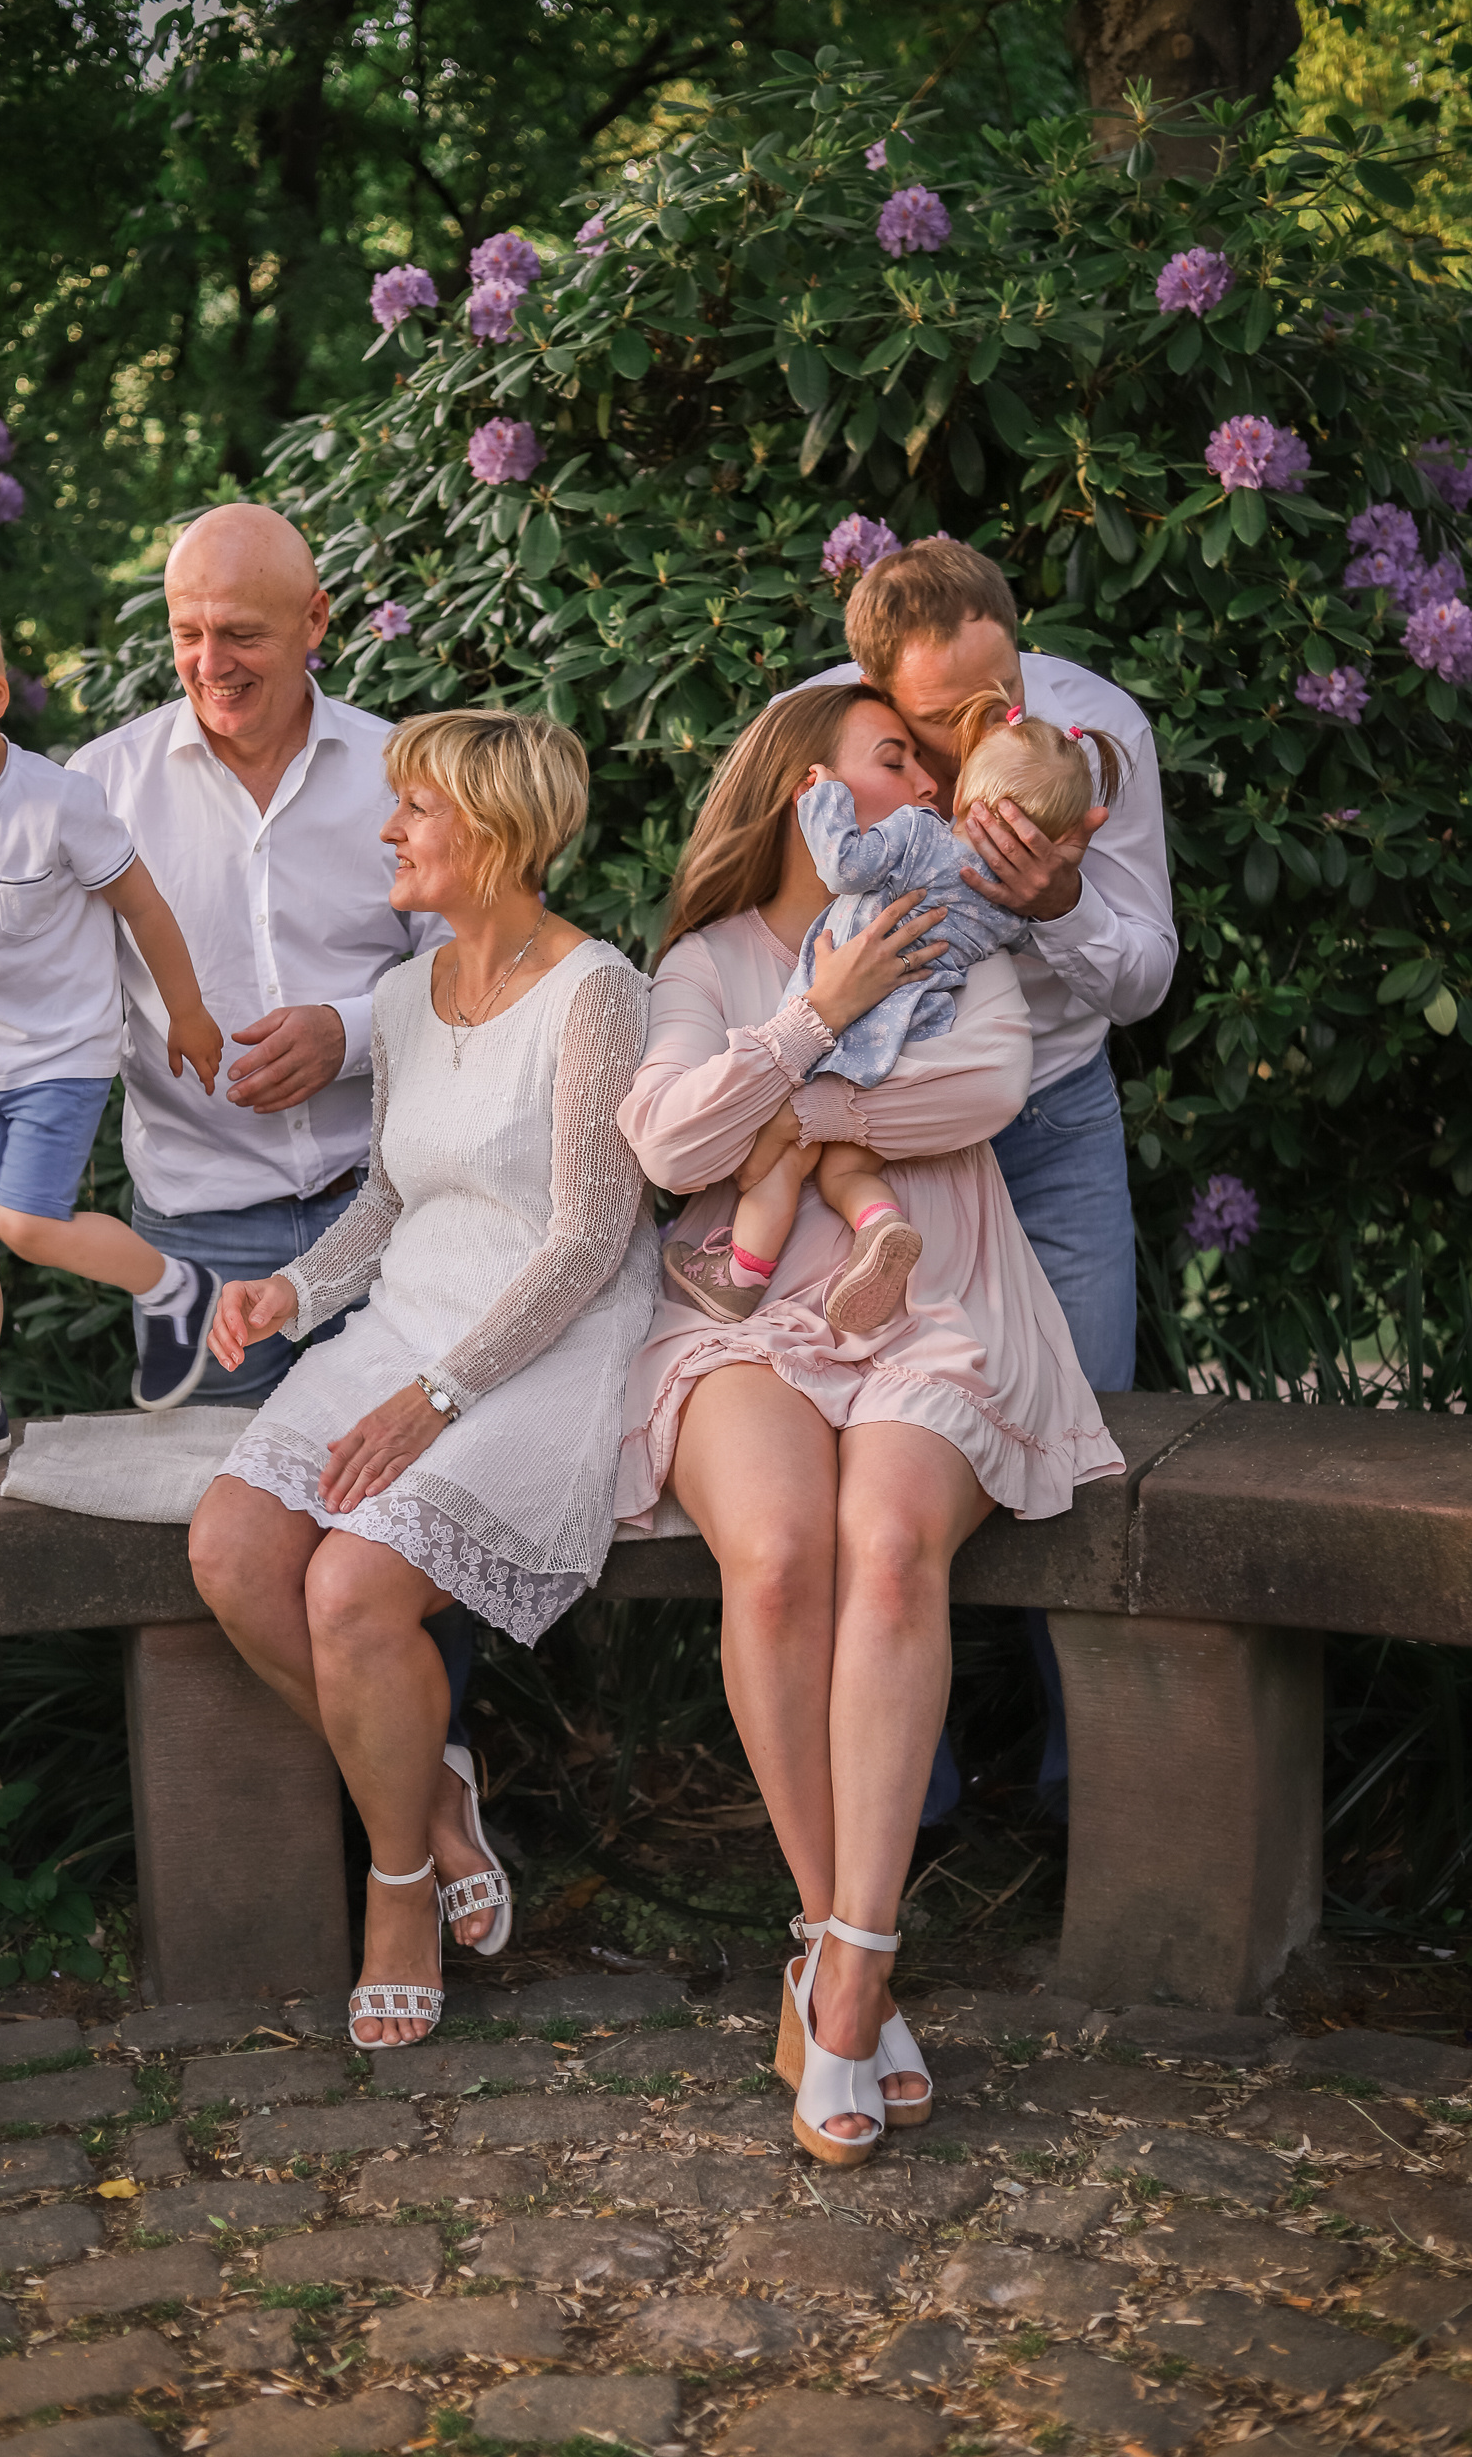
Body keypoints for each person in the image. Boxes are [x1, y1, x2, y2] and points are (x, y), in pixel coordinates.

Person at [0, 507, 499, 1940]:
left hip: (391, 1212)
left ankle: (409, 1842)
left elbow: (480, 972)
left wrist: (344, 1034)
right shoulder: (94, 790)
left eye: (242, 632)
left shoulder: (406, 772)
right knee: (242, 1554)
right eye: (187, 633)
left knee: (405, 1532)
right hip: (207, 1230)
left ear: (317, 624)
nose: (210, 660)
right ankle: (402, 1830)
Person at [613, 678, 1123, 2166]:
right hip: (744, 1310)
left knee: (888, 1547)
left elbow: (980, 1089)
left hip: (934, 1283)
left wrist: (791, 1115)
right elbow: (665, 1142)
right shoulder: (708, 961)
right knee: (775, 1555)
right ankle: (848, 1947)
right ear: (805, 790)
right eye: (897, 758)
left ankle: (844, 1972)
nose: (932, 786)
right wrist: (813, 1024)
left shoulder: (960, 923)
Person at [188, 709, 657, 2047]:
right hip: (404, 1326)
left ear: (496, 828)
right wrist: (295, 1295)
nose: (388, 831)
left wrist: (439, 1396)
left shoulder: (598, 990)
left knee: (349, 1590)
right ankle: (439, 1803)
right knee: (231, 1553)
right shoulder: (401, 997)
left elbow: (586, 1238)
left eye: (415, 809)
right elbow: (390, 1196)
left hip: (545, 1348)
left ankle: (398, 1880)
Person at [800, 539, 1176, 1820]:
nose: (981, 734)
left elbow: (1147, 975)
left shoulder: (1092, 732)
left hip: (1053, 1124)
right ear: (872, 690)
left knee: (1083, 1450)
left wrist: (1062, 899)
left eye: (996, 694)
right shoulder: (832, 745)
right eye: (938, 719)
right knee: (880, 1453)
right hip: (887, 1147)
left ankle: (1095, 1792)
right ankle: (910, 1796)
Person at [0, 581, 225, 1480]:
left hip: (63, 1052)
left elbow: (141, 904)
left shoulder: (59, 801)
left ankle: (179, 1287)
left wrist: (186, 1010)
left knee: (24, 1223)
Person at [666, 687, 1122, 1337]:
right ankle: (879, 1228)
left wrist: (822, 799)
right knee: (846, 1164)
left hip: (840, 1025)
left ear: (971, 793)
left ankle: (741, 1275)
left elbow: (844, 866)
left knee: (781, 1160)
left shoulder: (915, 834)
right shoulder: (1000, 898)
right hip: (909, 1039)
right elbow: (1015, 943)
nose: (929, 784)